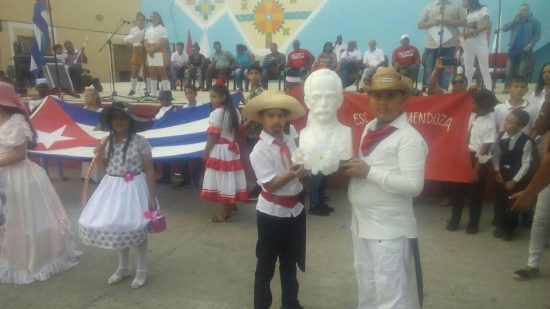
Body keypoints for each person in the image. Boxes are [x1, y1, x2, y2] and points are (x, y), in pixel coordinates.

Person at [341, 68, 427, 308]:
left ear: (403, 98)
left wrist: (368, 172)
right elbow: (367, 167)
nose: (383, 102)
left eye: (390, 96)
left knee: (392, 294)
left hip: (390, 229)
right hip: (362, 223)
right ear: (368, 98)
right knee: (368, 286)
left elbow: (414, 186)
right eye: (377, 95)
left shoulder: (408, 137)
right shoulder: (370, 127)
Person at [0, 81, 80, 284]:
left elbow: (18, 154)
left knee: (21, 217)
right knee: (6, 219)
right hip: (3, 173)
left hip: (16, 176)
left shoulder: (16, 122)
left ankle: (28, 257)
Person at [79, 101, 157, 289]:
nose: (119, 122)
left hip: (134, 188)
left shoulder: (140, 141)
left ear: (130, 121)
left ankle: (141, 269)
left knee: (136, 225)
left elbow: (149, 169)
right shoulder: (107, 141)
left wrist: (151, 196)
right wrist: (99, 155)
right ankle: (123, 267)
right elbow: (105, 167)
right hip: (112, 186)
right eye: (115, 118)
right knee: (117, 225)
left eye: (123, 118)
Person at [242, 91, 307, 309]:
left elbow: (300, 170)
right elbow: (270, 185)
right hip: (272, 214)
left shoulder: (290, 140)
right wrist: (293, 173)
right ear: (261, 119)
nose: (276, 121)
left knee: (290, 262)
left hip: (294, 211)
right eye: (270, 115)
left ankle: (291, 303)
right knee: (266, 265)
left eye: (280, 115)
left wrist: (310, 168)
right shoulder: (259, 151)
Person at [509, 87, 550, 281]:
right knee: (540, 219)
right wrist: (546, 107)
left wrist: (529, 193)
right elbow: (541, 127)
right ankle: (532, 264)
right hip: (546, 175)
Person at [300, 69, 352, 216]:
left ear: (339, 100)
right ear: (307, 101)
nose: (323, 104)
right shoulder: (306, 133)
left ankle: (321, 202)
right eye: (317, 97)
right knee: (316, 180)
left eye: (329, 97)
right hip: (314, 157)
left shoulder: (346, 133)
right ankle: (315, 205)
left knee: (324, 180)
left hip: (329, 157)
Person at [447, 88, 498, 234]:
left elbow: (485, 149)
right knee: (458, 192)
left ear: (482, 105)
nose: (471, 104)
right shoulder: (472, 116)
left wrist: (475, 171)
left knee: (476, 194)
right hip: (464, 157)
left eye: (474, 103)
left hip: (478, 161)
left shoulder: (489, 124)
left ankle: (473, 224)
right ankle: (454, 220)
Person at [201, 85, 248, 222]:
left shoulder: (217, 113)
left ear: (223, 97)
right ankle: (231, 206)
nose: (211, 99)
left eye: (214, 96)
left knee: (222, 179)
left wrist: (206, 152)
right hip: (231, 149)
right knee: (230, 178)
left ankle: (225, 212)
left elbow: (213, 137)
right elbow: (238, 131)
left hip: (220, 150)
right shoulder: (235, 112)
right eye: (210, 96)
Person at [492, 109, 535, 241]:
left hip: (517, 176)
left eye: (511, 122)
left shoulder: (526, 141)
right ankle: (499, 224)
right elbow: (496, 155)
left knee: (512, 202)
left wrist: (514, 181)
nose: (506, 123)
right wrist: (497, 170)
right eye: (507, 120)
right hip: (502, 174)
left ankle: (509, 228)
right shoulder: (500, 136)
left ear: (519, 126)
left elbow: (526, 164)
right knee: (499, 201)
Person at [418, 0, 466, 90]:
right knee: (430, 69)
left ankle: (443, 91)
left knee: (446, 71)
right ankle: (430, 91)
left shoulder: (456, 7)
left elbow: (464, 21)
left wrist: (449, 21)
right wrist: (432, 23)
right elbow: (420, 24)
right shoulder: (428, 7)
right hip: (431, 44)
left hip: (449, 44)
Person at [501, 4, 541, 85]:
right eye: (521, 10)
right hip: (513, 49)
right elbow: (504, 29)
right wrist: (513, 21)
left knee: (521, 72)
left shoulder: (534, 21)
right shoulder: (516, 21)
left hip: (525, 49)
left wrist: (530, 45)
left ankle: (521, 88)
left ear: (529, 11)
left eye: (525, 10)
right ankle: (507, 87)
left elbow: (537, 35)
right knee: (509, 70)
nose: (522, 12)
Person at [460, 0, 492, 89]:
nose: (462, 1)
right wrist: (462, 36)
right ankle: (468, 88)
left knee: (484, 68)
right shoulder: (467, 13)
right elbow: (465, 28)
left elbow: (486, 25)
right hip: (467, 43)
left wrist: (474, 32)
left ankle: (488, 90)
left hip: (480, 42)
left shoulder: (482, 9)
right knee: (468, 68)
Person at [81, 88, 105, 183]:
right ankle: (87, 175)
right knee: (86, 154)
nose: (86, 98)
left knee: (96, 154)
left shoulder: (100, 111)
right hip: (86, 136)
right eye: (85, 96)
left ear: (95, 98)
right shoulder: (83, 109)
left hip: (97, 136)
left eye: (88, 96)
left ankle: (96, 176)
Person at [145, 11, 170, 97]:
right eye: (151, 17)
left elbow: (162, 41)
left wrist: (152, 50)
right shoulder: (148, 29)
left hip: (159, 51)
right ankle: (153, 93)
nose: (152, 18)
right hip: (150, 52)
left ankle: (166, 92)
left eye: (154, 16)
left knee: (162, 72)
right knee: (152, 72)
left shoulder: (162, 29)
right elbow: (145, 41)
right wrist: (148, 50)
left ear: (158, 18)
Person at [123, 12, 147, 96]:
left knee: (146, 71)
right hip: (136, 50)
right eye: (139, 19)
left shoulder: (148, 29)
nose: (141, 21)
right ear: (137, 20)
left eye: (142, 19)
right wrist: (128, 42)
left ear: (145, 20)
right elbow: (129, 39)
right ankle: (132, 89)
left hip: (146, 50)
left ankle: (148, 89)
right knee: (134, 71)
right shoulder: (133, 29)